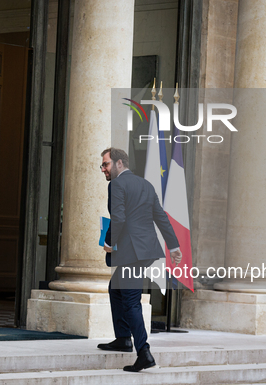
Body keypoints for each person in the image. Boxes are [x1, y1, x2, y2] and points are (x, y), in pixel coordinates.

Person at [97, 147, 182, 372]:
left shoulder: (116, 185)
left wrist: (108, 242)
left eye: (105, 164)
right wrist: (173, 245)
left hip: (130, 252)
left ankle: (143, 352)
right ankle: (123, 338)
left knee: (131, 301)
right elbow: (161, 217)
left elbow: (119, 218)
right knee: (115, 289)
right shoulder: (146, 185)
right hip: (145, 251)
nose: (102, 169)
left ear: (119, 164)